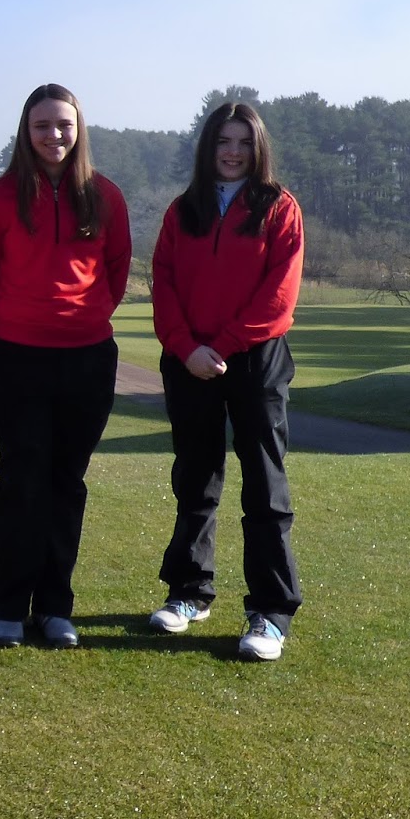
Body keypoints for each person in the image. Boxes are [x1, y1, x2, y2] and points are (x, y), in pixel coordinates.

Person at [0, 83, 131, 650]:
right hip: (17, 356)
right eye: (42, 126)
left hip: (87, 358)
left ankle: (55, 606)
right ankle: (11, 606)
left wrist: (82, 319)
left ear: (78, 129)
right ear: (26, 131)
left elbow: (116, 269)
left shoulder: (105, 195)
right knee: (21, 478)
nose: (54, 135)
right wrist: (14, 322)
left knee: (66, 481)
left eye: (64, 125)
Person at [148, 101, 304, 662]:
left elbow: (279, 295)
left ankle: (271, 611)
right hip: (190, 359)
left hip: (255, 359)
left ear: (257, 148)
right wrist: (187, 348)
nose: (233, 152)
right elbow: (163, 281)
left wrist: (226, 345)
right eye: (222, 141)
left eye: (242, 142)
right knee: (195, 478)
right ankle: (190, 592)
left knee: (265, 485)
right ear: (208, 147)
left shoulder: (279, 207)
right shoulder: (183, 209)